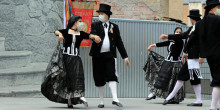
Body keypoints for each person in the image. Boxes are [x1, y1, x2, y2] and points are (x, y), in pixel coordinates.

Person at [42, 15, 101, 108]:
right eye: (80, 21)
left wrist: (95, 36)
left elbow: (89, 35)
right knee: (67, 79)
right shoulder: (66, 31)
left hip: (76, 59)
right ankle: (69, 101)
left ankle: (81, 96)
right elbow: (56, 31)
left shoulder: (81, 33)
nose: (81, 23)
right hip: (66, 58)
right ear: (74, 22)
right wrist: (60, 35)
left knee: (78, 77)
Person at [160, 10, 204, 106]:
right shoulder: (192, 28)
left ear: (192, 18)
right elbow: (183, 36)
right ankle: (198, 100)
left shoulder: (199, 27)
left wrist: (202, 55)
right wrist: (168, 36)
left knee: (182, 76)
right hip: (191, 57)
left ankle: (170, 97)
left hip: (194, 57)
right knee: (193, 78)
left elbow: (202, 41)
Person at [89, 3, 130, 108]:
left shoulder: (114, 27)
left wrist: (125, 57)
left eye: (102, 13)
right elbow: (92, 33)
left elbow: (119, 43)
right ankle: (101, 101)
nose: (100, 15)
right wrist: (94, 37)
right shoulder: (95, 25)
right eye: (99, 13)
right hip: (97, 56)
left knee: (112, 75)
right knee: (99, 78)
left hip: (110, 56)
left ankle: (115, 99)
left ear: (107, 15)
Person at [182, 0, 220, 109]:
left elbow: (191, 39)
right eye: (218, 7)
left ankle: (216, 105)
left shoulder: (200, 23)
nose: (219, 9)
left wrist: (185, 52)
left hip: (209, 56)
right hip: (218, 54)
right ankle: (213, 107)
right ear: (213, 8)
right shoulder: (218, 20)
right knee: (218, 81)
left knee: (216, 79)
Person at [145, 27, 184, 104]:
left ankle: (172, 97)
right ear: (174, 32)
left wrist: (173, 38)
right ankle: (154, 93)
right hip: (167, 61)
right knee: (161, 77)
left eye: (180, 32)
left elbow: (176, 50)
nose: (178, 33)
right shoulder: (171, 40)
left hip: (175, 63)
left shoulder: (180, 41)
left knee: (172, 80)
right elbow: (163, 43)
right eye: (176, 32)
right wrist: (152, 45)